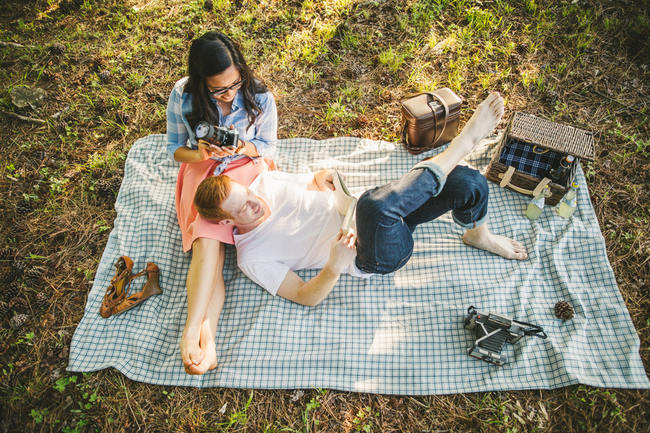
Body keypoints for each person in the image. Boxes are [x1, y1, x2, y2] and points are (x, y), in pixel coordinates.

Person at [193, 92, 528, 306]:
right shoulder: (251, 256)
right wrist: (334, 266)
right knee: (373, 204)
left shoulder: (264, 182)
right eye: (243, 207)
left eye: (248, 193)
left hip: (374, 212)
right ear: (225, 221)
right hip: (374, 254)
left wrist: (325, 178)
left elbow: (311, 181)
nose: (255, 201)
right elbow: (303, 296)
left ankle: (477, 233)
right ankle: (463, 144)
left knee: (467, 181)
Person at [166, 31, 277, 374]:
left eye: (234, 83)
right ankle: (200, 335)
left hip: (244, 166)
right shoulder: (183, 95)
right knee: (207, 238)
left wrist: (243, 147)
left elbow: (270, 147)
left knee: (212, 232)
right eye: (218, 89)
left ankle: (198, 334)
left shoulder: (259, 94)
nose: (230, 94)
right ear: (202, 84)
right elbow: (175, 150)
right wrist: (200, 151)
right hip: (203, 167)